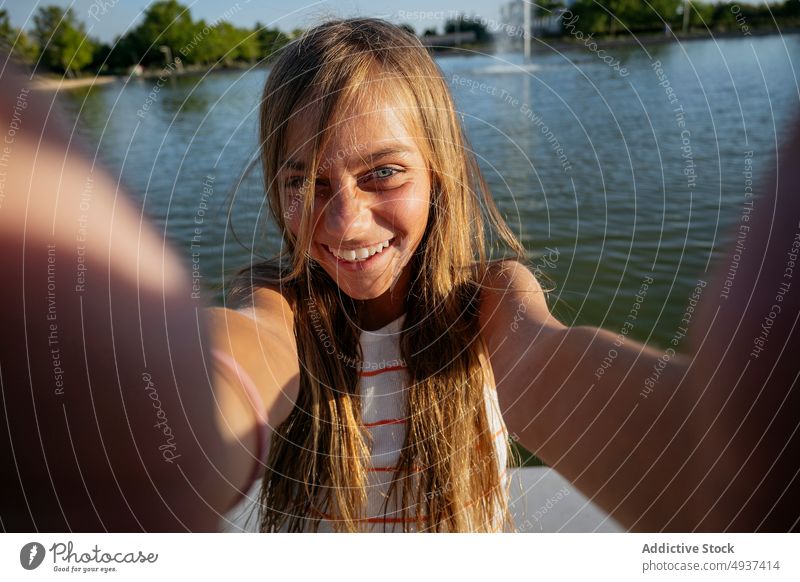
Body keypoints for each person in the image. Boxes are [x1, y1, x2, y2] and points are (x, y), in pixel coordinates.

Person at [1, 18, 798, 533]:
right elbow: (241, 356)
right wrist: (135, 414)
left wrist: (743, 468)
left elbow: (549, 364)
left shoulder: (490, 302)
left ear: (441, 175)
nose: (344, 221)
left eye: (382, 173)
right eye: (305, 180)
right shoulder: (276, 302)